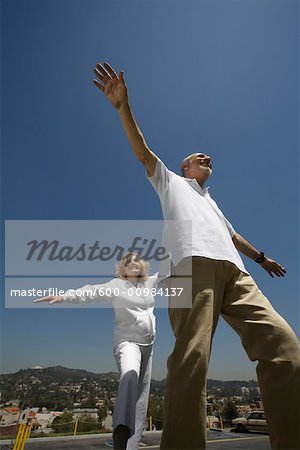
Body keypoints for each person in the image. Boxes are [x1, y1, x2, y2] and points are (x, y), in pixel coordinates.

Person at [92, 62, 300, 450]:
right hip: (190, 270)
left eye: (209, 157)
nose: (207, 157)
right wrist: (124, 108)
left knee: (284, 347)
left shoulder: (214, 203)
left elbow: (233, 236)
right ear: (185, 166)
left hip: (237, 275)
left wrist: (262, 258)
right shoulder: (170, 181)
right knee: (193, 360)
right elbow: (142, 152)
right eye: (197, 155)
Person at [34, 252, 158, 450]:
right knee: (129, 377)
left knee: (141, 397)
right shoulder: (116, 286)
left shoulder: (150, 283)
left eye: (136, 260)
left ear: (142, 266)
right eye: (128, 261)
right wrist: (64, 296)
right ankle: (120, 439)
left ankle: (131, 447)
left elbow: (172, 270)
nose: (133, 262)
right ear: (123, 269)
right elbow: (91, 292)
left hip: (148, 346)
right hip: (127, 343)